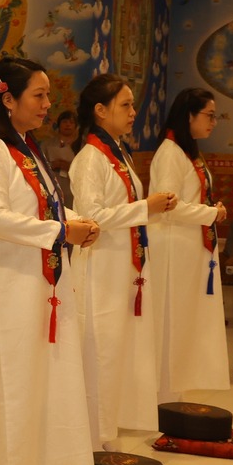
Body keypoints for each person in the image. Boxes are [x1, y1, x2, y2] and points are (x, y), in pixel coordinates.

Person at [0, 56, 100, 465]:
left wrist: (77, 222)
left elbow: (44, 210)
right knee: (11, 386)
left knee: (40, 384)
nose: (46, 104)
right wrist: (61, 232)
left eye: (47, 96)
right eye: (38, 95)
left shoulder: (27, 150)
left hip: (41, 289)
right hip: (6, 291)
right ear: (8, 99)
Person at [70, 75, 173, 446]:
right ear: (100, 110)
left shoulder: (117, 154)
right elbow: (90, 216)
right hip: (101, 267)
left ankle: (106, 429)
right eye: (125, 105)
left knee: (117, 349)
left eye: (133, 104)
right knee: (101, 349)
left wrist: (148, 208)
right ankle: (90, 436)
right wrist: (146, 207)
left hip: (123, 267)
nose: (133, 112)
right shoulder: (89, 159)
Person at [150, 88, 231, 400]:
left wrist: (209, 210)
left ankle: (174, 394)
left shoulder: (186, 151)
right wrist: (210, 213)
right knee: (172, 321)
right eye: (209, 115)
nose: (213, 122)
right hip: (172, 248)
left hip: (188, 246)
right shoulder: (170, 152)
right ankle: (163, 397)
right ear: (189, 116)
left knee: (184, 322)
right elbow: (167, 205)